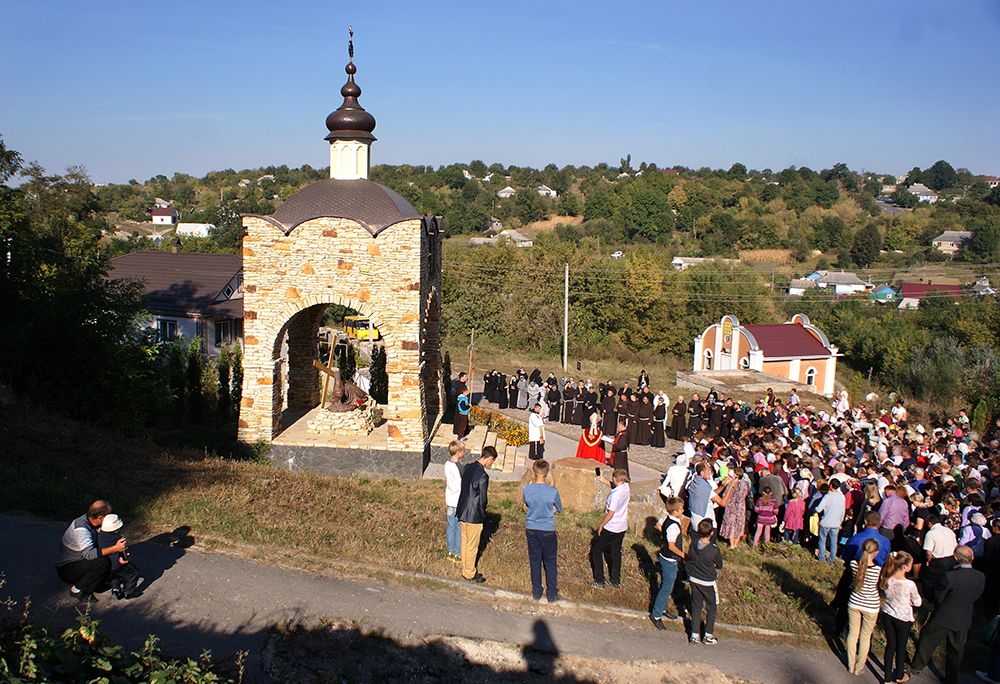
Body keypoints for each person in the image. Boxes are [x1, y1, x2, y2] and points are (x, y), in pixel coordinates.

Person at [910, 546, 986, 684]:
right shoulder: (980, 576)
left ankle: (917, 667)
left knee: (927, 640)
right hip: (964, 617)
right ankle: (952, 678)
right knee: (956, 650)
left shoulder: (950, 576)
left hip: (943, 616)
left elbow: (938, 597)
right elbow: (977, 595)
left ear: (956, 558)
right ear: (972, 557)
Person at [56, 500, 127, 601]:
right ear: (100, 517)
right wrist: (115, 548)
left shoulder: (92, 522)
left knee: (106, 556)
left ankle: (97, 583)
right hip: (68, 568)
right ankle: (78, 590)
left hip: (80, 562)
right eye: (108, 515)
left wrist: (118, 555)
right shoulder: (81, 529)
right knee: (102, 563)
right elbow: (89, 554)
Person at [521, 459, 562, 603]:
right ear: (547, 473)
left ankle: (537, 591)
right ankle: (551, 593)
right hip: (548, 529)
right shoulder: (552, 491)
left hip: (531, 528)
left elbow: (526, 504)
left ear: (533, 471)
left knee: (535, 561)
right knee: (550, 562)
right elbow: (559, 508)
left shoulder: (527, 489)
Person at [879, 550, 922, 684]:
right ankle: (899, 675)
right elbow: (918, 602)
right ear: (904, 567)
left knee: (890, 645)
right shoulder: (909, 584)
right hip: (903, 618)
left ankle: (886, 677)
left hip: (888, 613)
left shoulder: (887, 579)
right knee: (901, 647)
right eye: (910, 565)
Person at [456, 445, 498, 583]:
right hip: (474, 515)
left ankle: (465, 567)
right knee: (473, 545)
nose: (491, 464)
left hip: (462, 510)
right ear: (489, 459)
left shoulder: (468, 467)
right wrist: (482, 513)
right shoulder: (483, 476)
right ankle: (470, 573)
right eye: (492, 462)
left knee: (465, 542)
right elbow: (482, 499)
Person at [844, 538, 882, 676]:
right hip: (871, 605)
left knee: (852, 633)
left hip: (854, 602)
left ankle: (850, 663)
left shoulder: (854, 564)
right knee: (865, 637)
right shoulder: (877, 569)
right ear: (876, 553)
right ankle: (859, 666)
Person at [686, 518, 723, 645]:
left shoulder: (693, 544)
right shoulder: (714, 549)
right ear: (711, 533)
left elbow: (689, 558)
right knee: (711, 607)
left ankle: (694, 635)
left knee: (696, 606)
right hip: (707, 581)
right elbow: (719, 564)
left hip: (694, 579)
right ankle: (708, 634)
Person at [591, 468, 630, 589]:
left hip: (611, 527)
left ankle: (599, 580)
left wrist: (602, 524)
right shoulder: (626, 488)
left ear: (615, 478)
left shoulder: (615, 496)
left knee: (596, 550)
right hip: (622, 526)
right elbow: (615, 485)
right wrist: (602, 480)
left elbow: (610, 513)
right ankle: (615, 580)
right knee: (615, 552)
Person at [650, 497, 685, 628]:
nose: (683, 510)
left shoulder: (668, 519)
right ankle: (656, 614)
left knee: (667, 585)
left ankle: (663, 608)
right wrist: (684, 555)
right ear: (676, 511)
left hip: (666, 557)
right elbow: (671, 546)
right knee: (666, 588)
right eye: (681, 509)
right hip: (670, 559)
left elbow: (660, 526)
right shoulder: (674, 527)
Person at [97, 514, 143, 600]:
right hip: (117, 563)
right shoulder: (118, 539)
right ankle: (129, 592)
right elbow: (123, 551)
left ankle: (116, 589)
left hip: (105, 565)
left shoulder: (99, 536)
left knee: (114, 576)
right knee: (133, 573)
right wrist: (124, 558)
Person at [688, 462, 734, 528]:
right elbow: (722, 503)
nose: (710, 472)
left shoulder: (696, 481)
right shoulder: (704, 487)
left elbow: (711, 494)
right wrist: (730, 487)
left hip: (695, 521)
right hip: (706, 523)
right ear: (702, 473)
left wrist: (722, 486)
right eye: (708, 470)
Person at [444, 440, 465, 562]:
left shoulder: (447, 464)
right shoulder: (460, 468)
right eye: (463, 450)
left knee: (450, 526)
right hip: (458, 500)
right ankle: (457, 552)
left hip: (450, 499)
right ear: (458, 452)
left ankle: (450, 551)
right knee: (458, 527)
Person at [816, 482, 847, 563]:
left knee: (822, 540)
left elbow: (819, 509)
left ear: (831, 486)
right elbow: (843, 511)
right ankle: (831, 559)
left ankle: (821, 558)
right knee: (834, 541)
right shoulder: (842, 497)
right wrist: (841, 521)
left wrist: (815, 509)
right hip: (836, 522)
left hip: (826, 522)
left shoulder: (827, 497)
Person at [718, 471, 750, 549]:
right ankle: (736, 543)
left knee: (731, 524)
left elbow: (725, 494)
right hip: (741, 506)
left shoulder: (730, 484)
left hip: (731, 505)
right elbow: (746, 494)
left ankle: (732, 544)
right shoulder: (745, 484)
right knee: (739, 524)